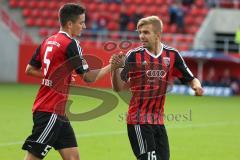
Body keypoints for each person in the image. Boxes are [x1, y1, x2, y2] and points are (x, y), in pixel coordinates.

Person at [22, 3, 112, 160]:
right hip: (50, 111)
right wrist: (112, 66)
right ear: (70, 24)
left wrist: (57, 76)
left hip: (57, 112)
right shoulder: (71, 44)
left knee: (73, 157)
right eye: (81, 22)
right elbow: (88, 77)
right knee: (33, 156)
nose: (84, 26)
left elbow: (29, 69)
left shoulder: (47, 41)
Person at [110, 16, 204, 160]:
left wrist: (197, 87)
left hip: (158, 122)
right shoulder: (134, 56)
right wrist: (115, 69)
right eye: (140, 32)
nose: (141, 36)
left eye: (146, 32)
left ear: (158, 34)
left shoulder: (172, 55)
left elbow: (191, 78)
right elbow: (118, 88)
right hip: (138, 120)